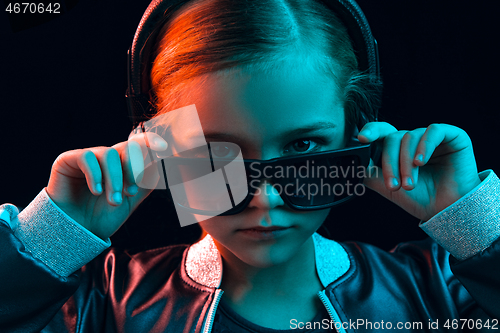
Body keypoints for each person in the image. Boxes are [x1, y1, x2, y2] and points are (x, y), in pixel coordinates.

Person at [1, 0, 499, 332]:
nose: (266, 199)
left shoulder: (439, 295)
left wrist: (474, 222)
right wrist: (51, 238)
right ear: (154, 148)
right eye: (219, 155)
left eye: (303, 147)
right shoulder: (100, 307)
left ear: (357, 137)